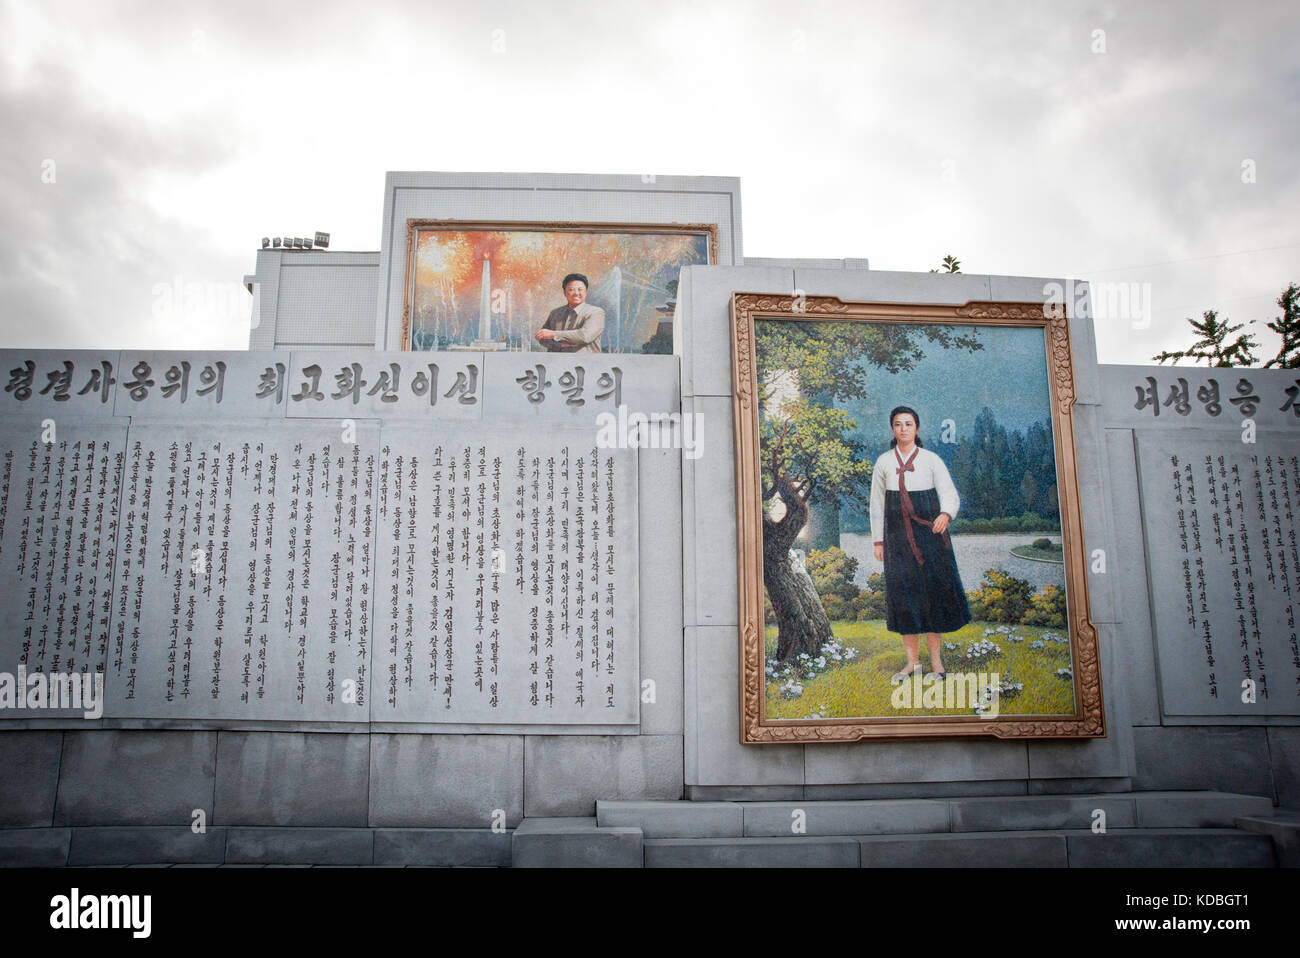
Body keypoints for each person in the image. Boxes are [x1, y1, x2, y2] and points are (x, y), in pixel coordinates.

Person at [869, 405, 972, 683]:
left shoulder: (930, 460)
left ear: (917, 428)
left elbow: (950, 494)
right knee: (905, 599)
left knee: (932, 598)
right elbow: (877, 505)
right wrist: (878, 541)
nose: (903, 429)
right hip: (897, 541)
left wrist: (945, 514)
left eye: (909, 424)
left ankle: (937, 664)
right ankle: (913, 663)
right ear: (893, 429)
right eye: (898, 424)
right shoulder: (883, 463)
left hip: (930, 540)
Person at [535, 273, 605, 353]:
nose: (576, 293)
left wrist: (554, 334)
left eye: (580, 289)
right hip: (557, 362)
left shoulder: (596, 312)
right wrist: (559, 345)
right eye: (571, 289)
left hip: (585, 363)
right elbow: (542, 337)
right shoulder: (555, 313)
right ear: (564, 293)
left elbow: (585, 336)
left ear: (586, 292)